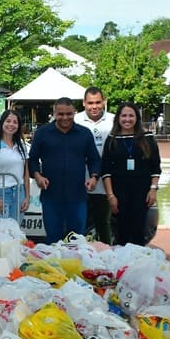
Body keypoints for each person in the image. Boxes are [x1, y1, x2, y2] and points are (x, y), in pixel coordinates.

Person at [28, 97, 101, 244]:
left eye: (69, 114)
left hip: (77, 196)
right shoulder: (42, 133)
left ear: (74, 112)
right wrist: (37, 176)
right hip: (51, 195)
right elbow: (33, 159)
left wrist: (94, 177)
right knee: (53, 239)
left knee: (77, 240)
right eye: (61, 114)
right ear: (54, 113)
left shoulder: (84, 133)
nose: (65, 117)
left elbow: (94, 159)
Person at [101, 102, 161, 246]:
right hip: (119, 192)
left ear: (136, 118)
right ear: (118, 118)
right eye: (124, 116)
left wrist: (153, 190)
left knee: (139, 230)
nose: (127, 119)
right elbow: (106, 170)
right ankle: (122, 265)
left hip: (141, 192)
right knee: (121, 232)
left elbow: (155, 166)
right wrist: (110, 196)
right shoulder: (112, 139)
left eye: (131, 116)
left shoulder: (147, 137)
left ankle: (137, 264)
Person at [74, 87, 115, 245]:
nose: (94, 106)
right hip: (79, 182)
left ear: (104, 102)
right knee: (79, 224)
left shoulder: (113, 120)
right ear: (84, 103)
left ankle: (106, 258)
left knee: (103, 223)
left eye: (98, 102)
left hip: (104, 184)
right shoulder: (74, 120)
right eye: (90, 103)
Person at [0, 109, 30, 220]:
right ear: (2, 123)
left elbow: (26, 174)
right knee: (1, 232)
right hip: (0, 192)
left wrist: (27, 197)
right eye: (8, 121)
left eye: (15, 122)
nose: (11, 125)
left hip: (19, 192)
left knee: (16, 231)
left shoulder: (22, 147)